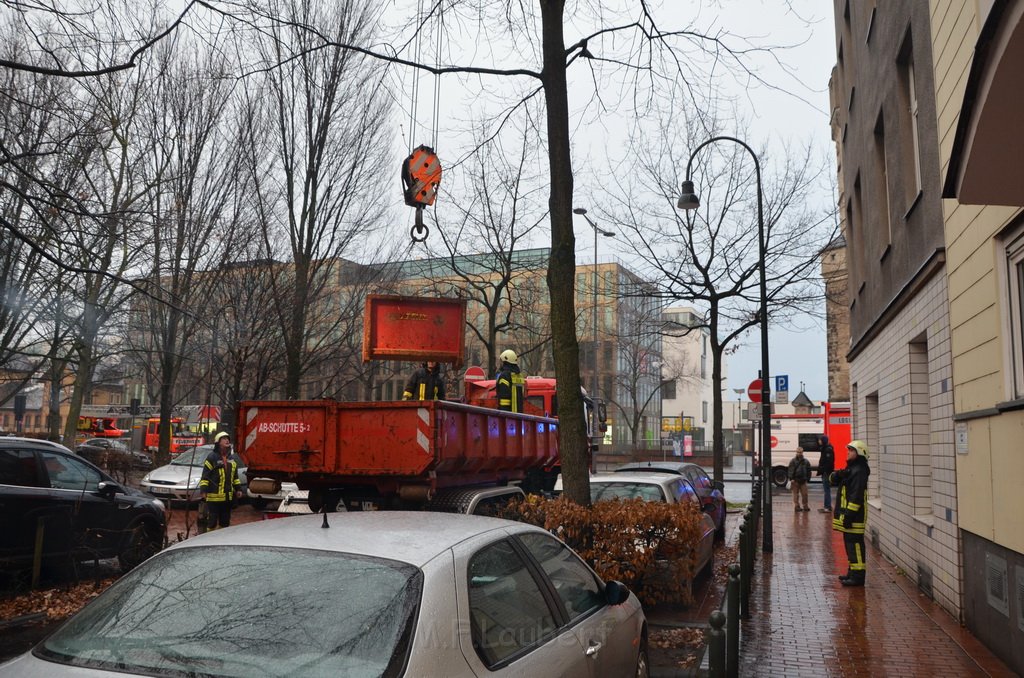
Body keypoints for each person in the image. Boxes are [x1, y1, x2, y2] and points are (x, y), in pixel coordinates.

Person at [832, 440, 871, 586]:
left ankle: (858, 577)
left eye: (851, 450)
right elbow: (834, 481)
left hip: (854, 517)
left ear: (859, 453)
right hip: (850, 516)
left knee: (855, 546)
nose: (847, 452)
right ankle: (852, 573)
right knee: (850, 545)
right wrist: (838, 475)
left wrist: (848, 515)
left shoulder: (859, 471)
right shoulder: (852, 469)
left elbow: (856, 496)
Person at [199, 431, 243, 532]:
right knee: (212, 523)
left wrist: (238, 489)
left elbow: (235, 477)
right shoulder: (212, 457)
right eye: (224, 438)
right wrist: (203, 491)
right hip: (214, 498)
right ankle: (209, 540)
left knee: (225, 522)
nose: (227, 440)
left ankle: (221, 540)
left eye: (228, 438)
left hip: (227, 498)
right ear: (218, 442)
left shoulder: (231, 459)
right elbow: (205, 476)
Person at [787, 446, 812, 511]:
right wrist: (791, 478)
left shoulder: (806, 461)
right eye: (798, 452)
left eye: (800, 452)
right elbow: (790, 470)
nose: (799, 453)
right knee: (795, 495)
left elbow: (809, 470)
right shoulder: (793, 461)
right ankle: (797, 506)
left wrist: (808, 478)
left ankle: (805, 506)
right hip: (795, 480)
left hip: (803, 480)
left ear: (802, 452)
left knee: (805, 495)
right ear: (796, 452)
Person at [817, 435, 836, 513]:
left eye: (820, 440)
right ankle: (826, 506)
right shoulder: (825, 448)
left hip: (826, 473)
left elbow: (829, 462)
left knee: (827, 490)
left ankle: (827, 507)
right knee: (826, 490)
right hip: (825, 472)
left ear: (823, 441)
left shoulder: (827, 449)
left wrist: (825, 471)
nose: (819, 441)